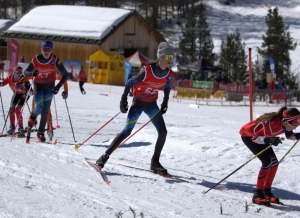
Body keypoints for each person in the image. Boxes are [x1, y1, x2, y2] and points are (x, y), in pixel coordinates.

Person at [95, 42, 174, 175]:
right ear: (160, 57)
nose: (170, 60)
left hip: (151, 105)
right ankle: (103, 157)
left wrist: (165, 102)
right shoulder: (148, 70)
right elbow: (130, 81)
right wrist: (123, 99)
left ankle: (155, 162)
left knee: (163, 132)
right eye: (167, 57)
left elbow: (167, 87)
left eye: (172, 57)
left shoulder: (169, 74)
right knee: (126, 132)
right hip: (138, 103)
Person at [239, 106, 300, 206]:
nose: (295, 128)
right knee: (267, 162)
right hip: (249, 136)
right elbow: (255, 139)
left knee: (275, 163)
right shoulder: (271, 125)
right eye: (294, 126)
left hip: (264, 137)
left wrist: (297, 136)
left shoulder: (285, 123)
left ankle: (266, 191)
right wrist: (270, 140)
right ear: (286, 121)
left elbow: (289, 136)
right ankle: (257, 195)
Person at [23, 40, 68, 142]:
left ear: (51, 50)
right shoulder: (36, 59)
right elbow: (26, 72)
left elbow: (65, 74)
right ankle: (32, 117)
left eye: (48, 49)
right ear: (41, 49)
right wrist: (32, 73)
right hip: (38, 86)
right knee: (39, 107)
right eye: (44, 49)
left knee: (45, 111)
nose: (46, 51)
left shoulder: (55, 59)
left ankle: (40, 132)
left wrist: (58, 86)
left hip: (50, 87)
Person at [0, 66, 31, 137]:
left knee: (17, 109)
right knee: (11, 109)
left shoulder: (24, 79)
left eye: (19, 75)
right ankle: (12, 127)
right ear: (13, 73)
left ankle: (20, 128)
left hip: (24, 95)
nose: (17, 77)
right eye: (15, 75)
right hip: (16, 94)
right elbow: (3, 83)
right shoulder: (10, 77)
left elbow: (31, 91)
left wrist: (25, 91)